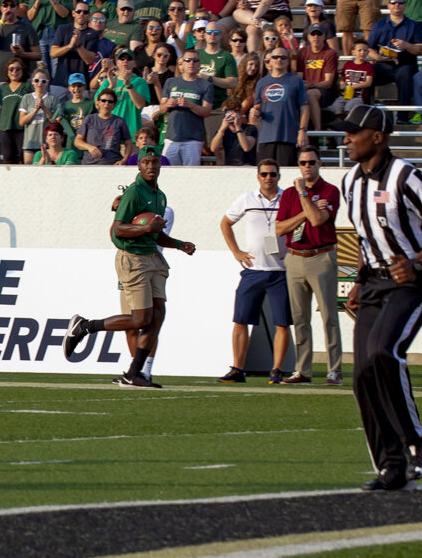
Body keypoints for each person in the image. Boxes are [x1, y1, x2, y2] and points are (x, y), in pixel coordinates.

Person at [333, 104, 422, 491]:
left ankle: (416, 444)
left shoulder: (406, 175)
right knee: (362, 375)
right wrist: (358, 279)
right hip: (373, 283)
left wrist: (419, 262)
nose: (347, 139)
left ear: (378, 136)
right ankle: (390, 466)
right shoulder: (350, 182)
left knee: (382, 353)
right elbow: (363, 236)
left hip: (413, 283)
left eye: (354, 132)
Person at [63, 146, 198, 388]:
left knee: (157, 317)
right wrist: (146, 229)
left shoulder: (160, 195)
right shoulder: (134, 192)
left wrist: (180, 244)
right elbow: (119, 228)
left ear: (160, 165)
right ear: (138, 165)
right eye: (146, 161)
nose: (150, 166)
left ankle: (134, 374)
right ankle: (85, 327)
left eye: (154, 162)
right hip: (133, 258)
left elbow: (155, 234)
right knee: (140, 319)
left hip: (153, 258)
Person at [218, 160, 295, 384]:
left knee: (282, 323)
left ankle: (277, 370)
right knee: (241, 320)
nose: (268, 178)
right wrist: (236, 252)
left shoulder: (288, 199)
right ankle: (237, 368)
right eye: (264, 174)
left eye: (272, 174)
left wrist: (292, 251)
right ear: (258, 176)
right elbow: (225, 223)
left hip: (280, 271)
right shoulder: (247, 199)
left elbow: (300, 226)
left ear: (279, 176)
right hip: (253, 270)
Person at [276, 147, 343, 386]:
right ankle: (302, 370)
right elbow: (280, 228)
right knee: (300, 317)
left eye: (311, 162)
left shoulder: (330, 191)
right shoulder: (289, 195)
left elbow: (318, 220)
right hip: (294, 257)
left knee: (328, 317)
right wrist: (307, 209)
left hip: (321, 257)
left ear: (319, 164)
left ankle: (334, 370)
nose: (307, 166)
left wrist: (304, 195)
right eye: (303, 162)